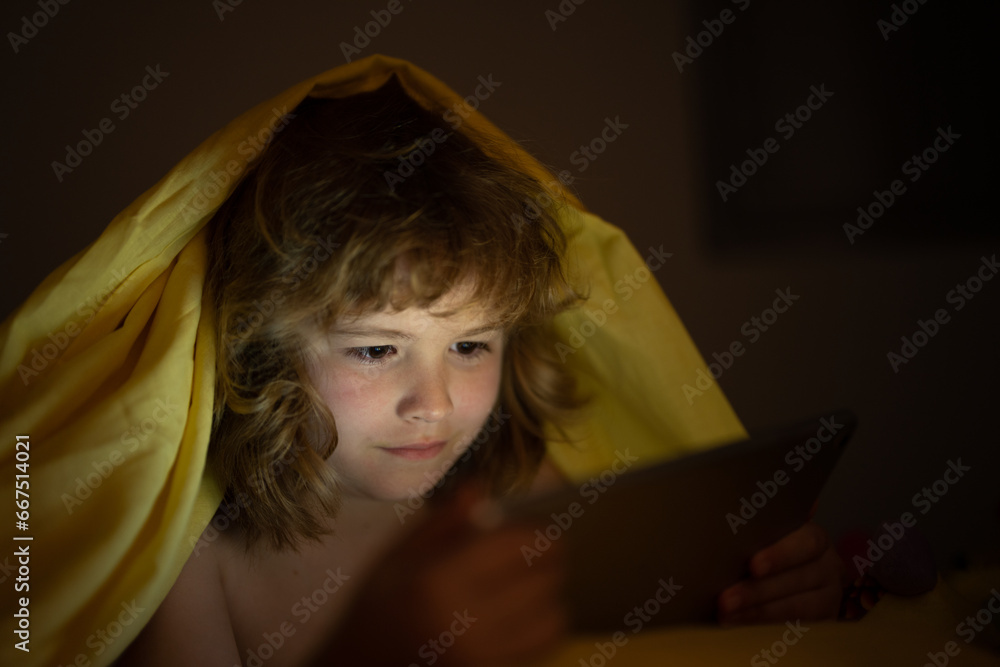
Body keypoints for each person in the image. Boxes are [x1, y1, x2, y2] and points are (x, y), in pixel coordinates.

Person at [0, 56, 845, 667]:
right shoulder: (190, 556)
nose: (434, 405)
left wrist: (776, 592)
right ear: (263, 347)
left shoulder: (505, 485)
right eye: (376, 348)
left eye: (471, 345)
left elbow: (662, 618)